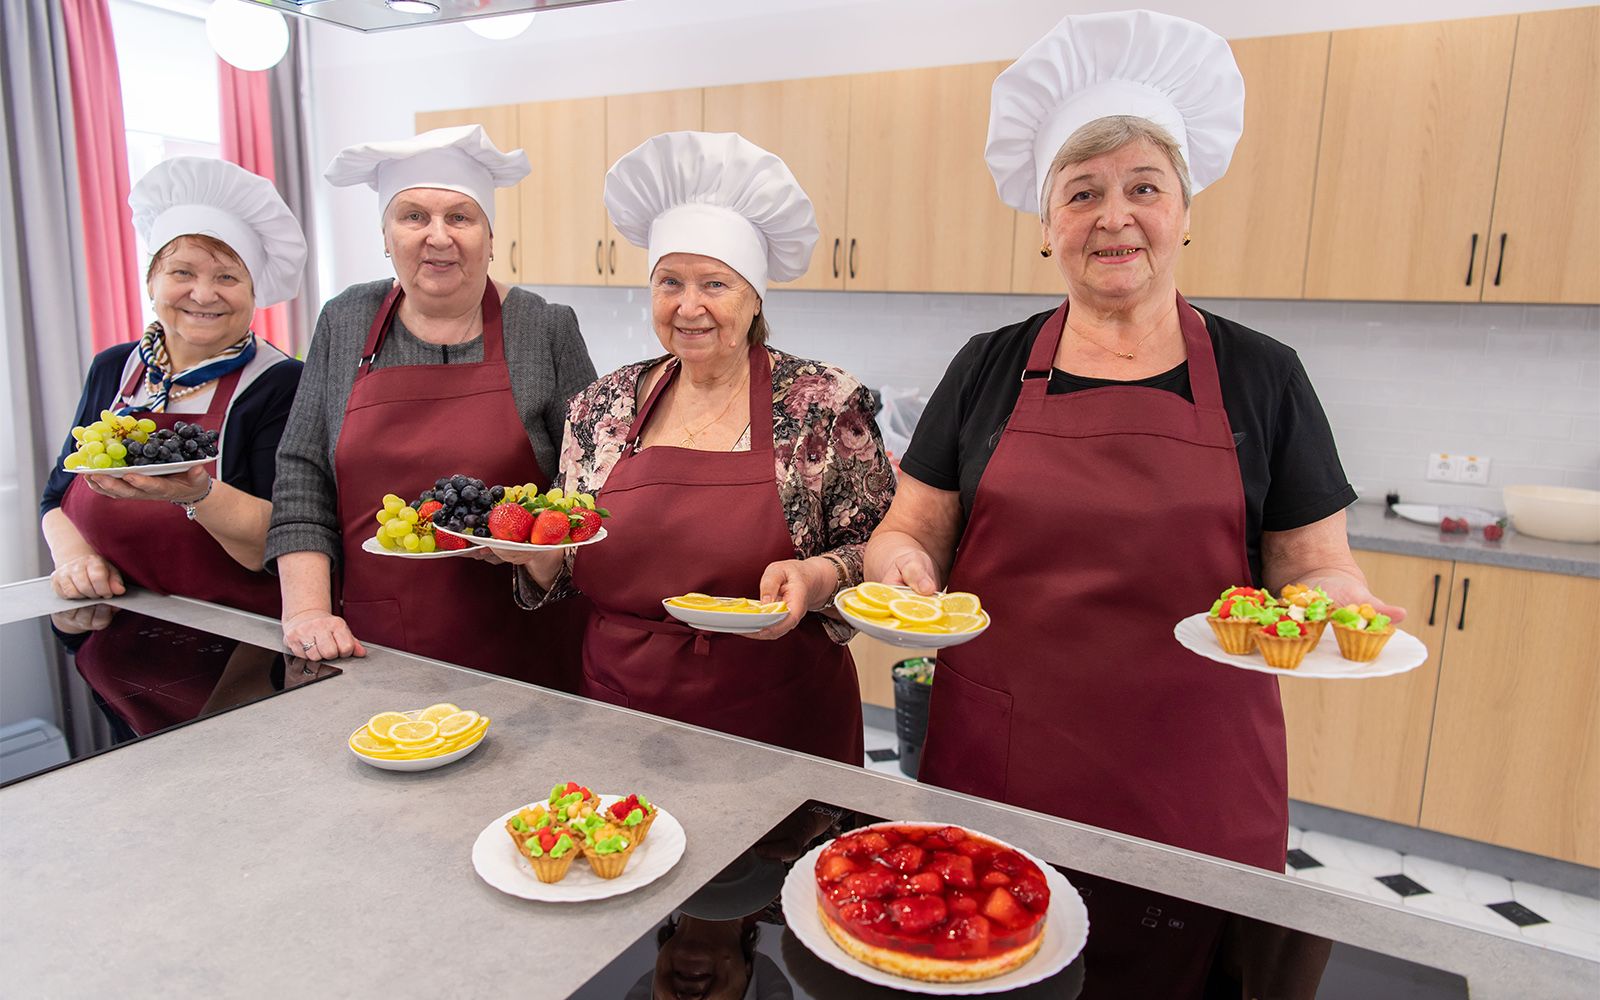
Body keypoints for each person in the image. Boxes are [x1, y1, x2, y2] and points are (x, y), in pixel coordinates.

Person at [866, 10, 1405, 870]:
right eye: (1081, 192)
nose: (1114, 216)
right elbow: (909, 529)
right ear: (1047, 227)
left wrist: (1336, 600)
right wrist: (899, 569)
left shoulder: (1263, 375)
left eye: (1144, 187)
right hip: (1001, 759)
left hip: (1197, 768)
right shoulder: (987, 366)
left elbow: (1312, 563)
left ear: (1184, 212)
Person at [514, 132, 894, 763]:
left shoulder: (821, 403)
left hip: (778, 716)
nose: (688, 307)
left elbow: (883, 548)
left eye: (714, 284)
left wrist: (816, 575)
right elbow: (571, 565)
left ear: (754, 297)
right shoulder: (602, 407)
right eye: (669, 283)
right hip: (620, 709)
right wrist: (526, 555)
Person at [266, 125, 597, 683]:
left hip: (524, 639)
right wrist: (306, 611)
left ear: (490, 240)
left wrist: (540, 559)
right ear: (386, 235)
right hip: (369, 643)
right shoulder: (345, 319)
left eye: (460, 218)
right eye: (414, 216)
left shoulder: (544, 327)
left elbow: (590, 489)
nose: (437, 237)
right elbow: (303, 473)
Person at [41, 157, 306, 617]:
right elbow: (57, 495)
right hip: (115, 618)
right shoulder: (115, 368)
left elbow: (280, 538)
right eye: (182, 272)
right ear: (151, 281)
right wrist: (74, 557)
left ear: (253, 291)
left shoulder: (280, 382)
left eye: (227, 277)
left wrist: (194, 492)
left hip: (235, 635)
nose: (203, 294)